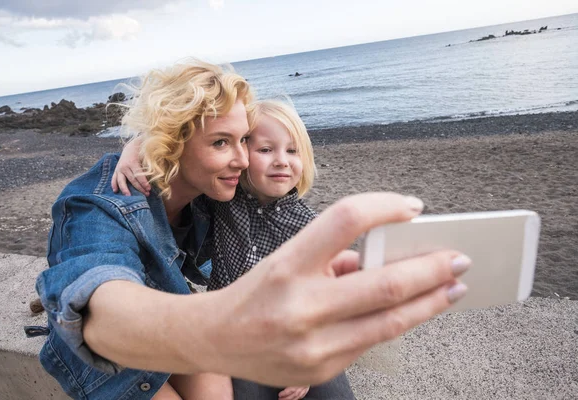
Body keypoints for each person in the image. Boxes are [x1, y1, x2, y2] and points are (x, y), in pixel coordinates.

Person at [34, 59, 471, 400]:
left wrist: (139, 142)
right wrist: (231, 326)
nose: (243, 160)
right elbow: (99, 315)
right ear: (171, 142)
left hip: (174, 307)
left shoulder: (211, 187)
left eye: (243, 140)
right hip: (102, 354)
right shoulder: (100, 204)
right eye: (222, 143)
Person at [114, 99, 355, 399]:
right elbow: (175, 142)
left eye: (292, 151)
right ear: (242, 154)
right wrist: (132, 149)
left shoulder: (311, 227)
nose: (281, 160)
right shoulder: (226, 198)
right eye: (266, 150)